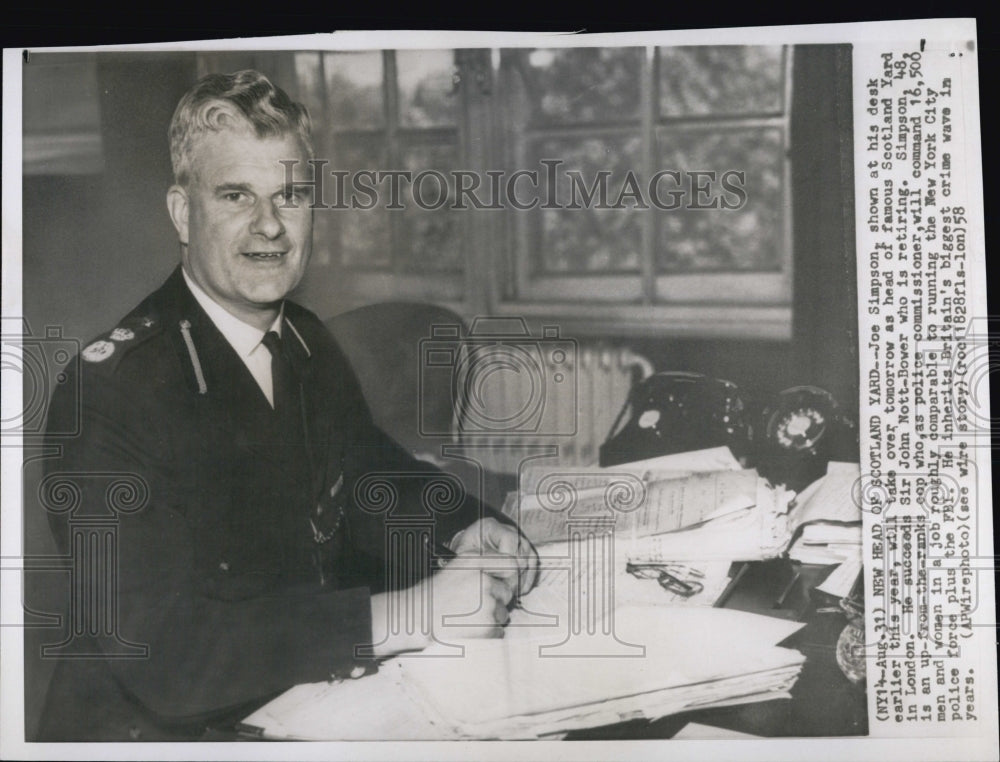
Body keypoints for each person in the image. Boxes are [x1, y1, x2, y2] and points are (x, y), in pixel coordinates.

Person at [36, 69, 538, 741]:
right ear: (183, 213)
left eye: (291, 195)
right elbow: (167, 656)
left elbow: (366, 470)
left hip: (294, 703)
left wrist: (463, 523)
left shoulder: (303, 338)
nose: (269, 225)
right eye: (235, 195)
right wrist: (411, 613)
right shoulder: (109, 392)